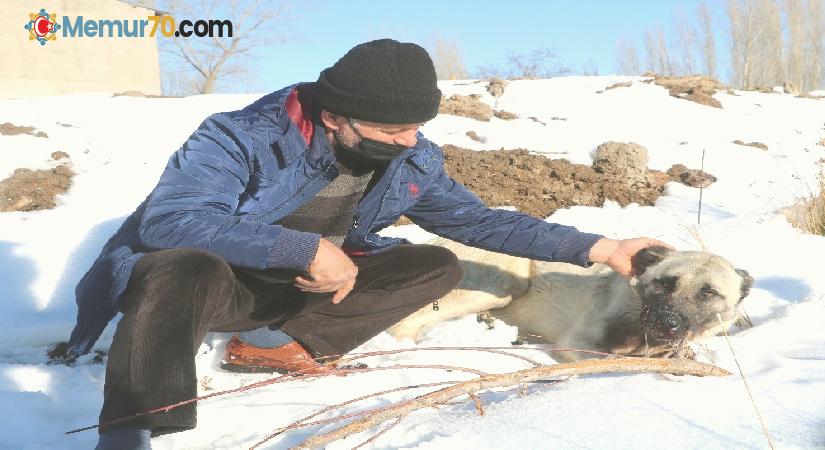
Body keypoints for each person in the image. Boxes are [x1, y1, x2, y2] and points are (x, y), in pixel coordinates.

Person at [67, 39, 668, 449]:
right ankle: (135, 427)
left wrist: (602, 246)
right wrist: (300, 250)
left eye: (416, 128)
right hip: (214, 282)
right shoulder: (238, 135)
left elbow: (480, 222)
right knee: (179, 266)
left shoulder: (411, 158)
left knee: (435, 264)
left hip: (303, 288)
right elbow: (171, 221)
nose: (408, 142)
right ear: (335, 117)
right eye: (391, 129)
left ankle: (274, 344)